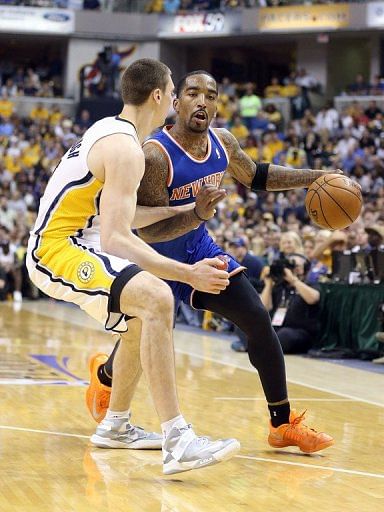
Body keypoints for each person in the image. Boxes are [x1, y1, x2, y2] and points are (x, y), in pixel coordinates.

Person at [87, 70, 335, 454]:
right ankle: (105, 377)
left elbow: (257, 176)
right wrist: (198, 215)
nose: (202, 100)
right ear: (176, 102)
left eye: (211, 95)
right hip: (154, 261)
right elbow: (149, 232)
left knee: (256, 317)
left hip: (200, 251)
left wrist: (316, 178)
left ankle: (282, 424)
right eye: (192, 93)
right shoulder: (155, 154)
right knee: (139, 341)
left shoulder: (223, 144)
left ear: (217, 106)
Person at [26, 59, 240, 475]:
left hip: (78, 238)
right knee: (158, 296)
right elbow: (117, 238)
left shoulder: (114, 132)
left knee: (144, 313)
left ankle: (116, 425)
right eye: (174, 91)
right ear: (159, 96)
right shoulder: (126, 149)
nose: (177, 99)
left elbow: (121, 213)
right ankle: (178, 439)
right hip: (56, 247)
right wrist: (189, 274)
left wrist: (186, 208)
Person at [260, 253, 321, 354]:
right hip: (277, 329)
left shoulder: (310, 284)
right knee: (244, 327)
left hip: (299, 332)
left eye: (295, 266)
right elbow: (263, 308)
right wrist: (268, 284)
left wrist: (293, 280)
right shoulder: (280, 286)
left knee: (284, 335)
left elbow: (313, 298)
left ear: (304, 269)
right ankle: (265, 348)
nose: (290, 269)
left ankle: (259, 347)